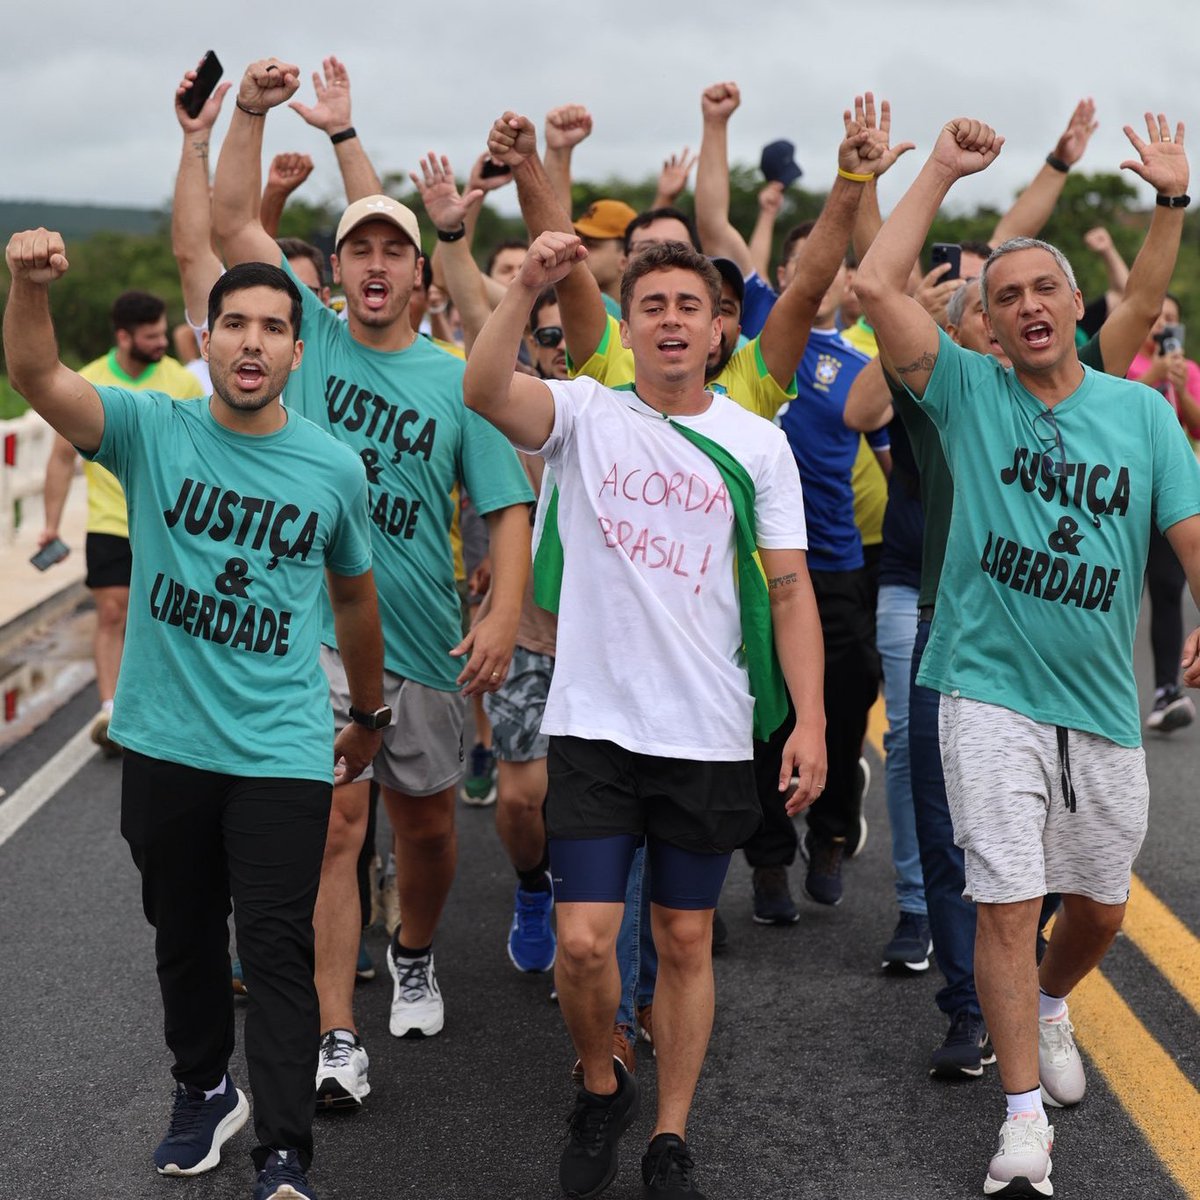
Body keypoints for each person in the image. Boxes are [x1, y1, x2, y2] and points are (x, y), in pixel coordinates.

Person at [855, 113, 1200, 1198]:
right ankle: (1020, 1126)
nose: (1028, 306)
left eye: (1043, 289)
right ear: (989, 331)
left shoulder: (1140, 413)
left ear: (1072, 307)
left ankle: (1055, 1003)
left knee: (1097, 907)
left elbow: (1190, 535)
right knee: (1005, 899)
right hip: (984, 686)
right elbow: (874, 286)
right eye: (1006, 299)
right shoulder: (962, 397)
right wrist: (943, 171)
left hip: (1098, 701)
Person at [5, 230, 384, 1200]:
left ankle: (287, 1153)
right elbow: (37, 374)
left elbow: (353, 601)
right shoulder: (150, 431)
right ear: (202, 339)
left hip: (283, 749)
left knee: (275, 946)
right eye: (234, 325)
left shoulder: (335, 469)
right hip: (167, 743)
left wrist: (370, 714)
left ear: (300, 352)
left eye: (273, 328)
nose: (252, 343)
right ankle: (203, 1086)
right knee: (181, 935)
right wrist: (27, 286)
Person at [464, 231, 825, 1199]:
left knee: (683, 939)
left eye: (689, 308)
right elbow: (484, 392)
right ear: (628, 323)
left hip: (706, 730)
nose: (670, 321)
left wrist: (812, 722)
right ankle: (601, 1084)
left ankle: (670, 1135)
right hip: (595, 725)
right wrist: (530, 284)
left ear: (719, 331)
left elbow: (790, 592)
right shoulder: (585, 414)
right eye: (651, 305)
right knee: (585, 942)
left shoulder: (761, 444)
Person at [212, 58, 533, 1110]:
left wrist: (497, 611)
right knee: (338, 831)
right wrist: (251, 115)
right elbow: (229, 232)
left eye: (398, 250)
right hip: (310, 633)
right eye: (360, 250)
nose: (378, 265)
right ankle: (335, 1037)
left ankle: (416, 949)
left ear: (422, 278)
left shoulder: (457, 377)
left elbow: (505, 507)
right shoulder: (310, 350)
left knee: (428, 831)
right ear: (339, 273)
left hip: (425, 638)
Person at [38, 288, 204, 755]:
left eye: (161, 332)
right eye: (151, 336)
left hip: (169, 524)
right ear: (123, 336)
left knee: (164, 619)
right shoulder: (86, 381)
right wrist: (50, 524)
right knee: (111, 612)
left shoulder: (181, 383)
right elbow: (58, 458)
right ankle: (110, 710)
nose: (161, 342)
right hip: (110, 521)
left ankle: (163, 711)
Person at [1128, 293, 1200, 731]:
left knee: (1170, 592)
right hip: (1124, 497)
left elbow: (1196, 424)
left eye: (1172, 319)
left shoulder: (1187, 371)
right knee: (1119, 595)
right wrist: (1153, 375)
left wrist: (1177, 384)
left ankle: (1165, 691)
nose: (1164, 326)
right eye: (1158, 318)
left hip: (1170, 499)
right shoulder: (1129, 364)